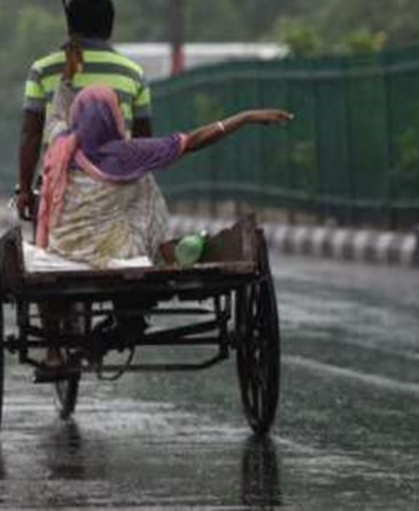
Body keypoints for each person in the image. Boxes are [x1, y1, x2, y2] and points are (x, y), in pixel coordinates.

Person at [33, 42, 292, 375]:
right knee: (143, 185)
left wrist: (68, 76)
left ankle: (55, 351)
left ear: (77, 119)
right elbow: (196, 140)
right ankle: (128, 315)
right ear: (114, 118)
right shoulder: (131, 153)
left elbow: (56, 111)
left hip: (67, 251)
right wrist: (244, 117)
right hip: (122, 253)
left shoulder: (60, 144)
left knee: (132, 190)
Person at [17, 0, 152, 221]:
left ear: (70, 25)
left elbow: (31, 134)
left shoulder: (43, 70)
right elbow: (143, 141)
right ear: (109, 27)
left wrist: (25, 190)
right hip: (116, 191)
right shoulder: (133, 73)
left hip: (59, 193)